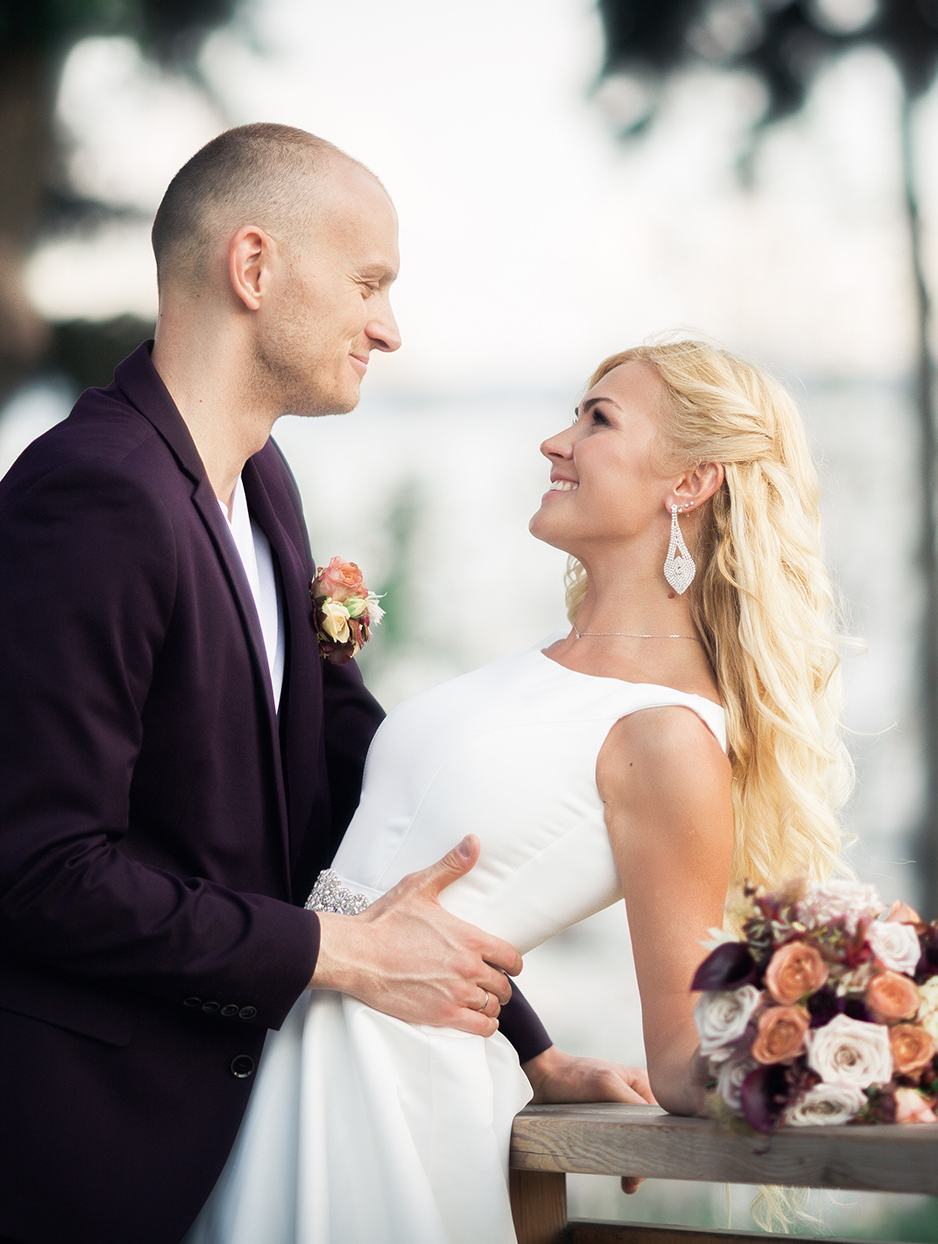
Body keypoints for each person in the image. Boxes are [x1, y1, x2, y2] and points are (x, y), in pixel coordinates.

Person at [0, 124, 647, 1244]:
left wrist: (524, 1041)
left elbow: (361, 820)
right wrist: (344, 957)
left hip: (182, 1161)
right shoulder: (91, 498)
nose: (389, 327)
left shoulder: (263, 486)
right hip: (21, 1168)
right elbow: (33, 871)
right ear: (253, 269)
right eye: (368, 283)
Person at [184, 338, 852, 1243]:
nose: (556, 441)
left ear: (690, 482)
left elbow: (681, 1052)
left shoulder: (670, 736)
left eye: (598, 419)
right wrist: (535, 1049)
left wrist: (854, 1050)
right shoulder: (541, 667)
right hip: (289, 1047)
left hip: (398, 1097)